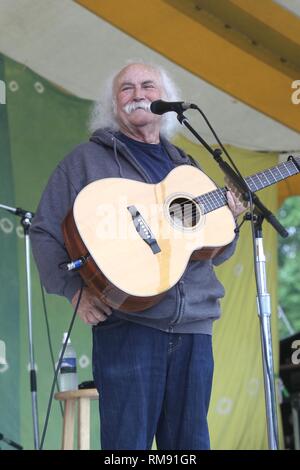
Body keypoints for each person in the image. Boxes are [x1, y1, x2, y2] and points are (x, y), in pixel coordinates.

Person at [30, 62, 247, 450]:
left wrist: (231, 218)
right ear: (113, 106)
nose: (138, 94)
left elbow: (212, 250)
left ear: (166, 100)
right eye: (126, 89)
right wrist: (73, 290)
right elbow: (44, 230)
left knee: (190, 446)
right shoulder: (86, 162)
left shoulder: (186, 166)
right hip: (129, 324)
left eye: (148, 85)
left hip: (195, 326)